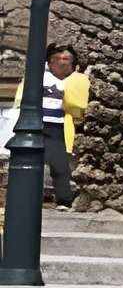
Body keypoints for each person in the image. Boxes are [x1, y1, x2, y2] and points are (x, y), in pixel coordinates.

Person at [12, 46, 83, 207]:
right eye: (57, 59)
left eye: (66, 60)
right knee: (30, 164)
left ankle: (64, 201)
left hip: (59, 127)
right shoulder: (39, 77)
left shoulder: (74, 81)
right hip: (36, 125)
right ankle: (26, 199)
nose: (62, 64)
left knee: (60, 165)